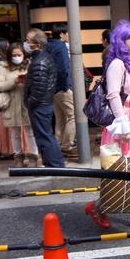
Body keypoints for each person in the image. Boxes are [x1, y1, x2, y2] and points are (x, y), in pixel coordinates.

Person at [83, 20, 130, 230]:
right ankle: (99, 207)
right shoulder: (117, 63)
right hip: (123, 121)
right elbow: (113, 94)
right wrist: (122, 124)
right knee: (119, 167)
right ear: (121, 41)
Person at [23, 28, 65, 168]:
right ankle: (52, 163)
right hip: (43, 103)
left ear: (37, 44)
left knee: (44, 136)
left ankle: (55, 164)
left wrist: (29, 102)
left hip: (39, 105)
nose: (26, 44)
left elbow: (39, 89)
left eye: (28, 41)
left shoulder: (39, 61)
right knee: (45, 135)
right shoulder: (43, 57)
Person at [0, 43, 39, 168]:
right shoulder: (3, 67)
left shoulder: (29, 65)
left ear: (23, 54)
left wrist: (27, 81)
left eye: (19, 54)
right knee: (15, 133)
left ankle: (33, 158)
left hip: (27, 103)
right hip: (11, 104)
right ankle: (18, 157)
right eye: (14, 55)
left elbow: (36, 81)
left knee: (30, 132)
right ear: (9, 56)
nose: (17, 57)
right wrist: (14, 81)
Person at [47, 23, 77, 158]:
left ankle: (58, 145)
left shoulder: (48, 46)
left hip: (52, 88)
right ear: (61, 34)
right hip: (62, 87)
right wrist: (66, 87)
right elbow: (63, 68)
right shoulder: (61, 47)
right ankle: (67, 145)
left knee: (60, 118)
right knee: (73, 116)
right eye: (67, 33)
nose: (69, 35)